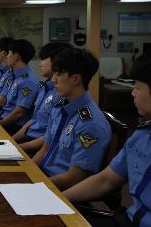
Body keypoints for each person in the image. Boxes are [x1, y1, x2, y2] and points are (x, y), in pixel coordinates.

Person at [63, 54, 151, 227]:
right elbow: (107, 179)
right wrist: (58, 199)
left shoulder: (91, 121)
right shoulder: (142, 135)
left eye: (138, 88)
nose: (133, 93)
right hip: (129, 219)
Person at [32, 47, 111, 191]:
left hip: (60, 190)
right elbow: (44, 150)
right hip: (44, 178)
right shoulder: (60, 107)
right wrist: (28, 175)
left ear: (75, 79)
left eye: (59, 74)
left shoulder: (90, 124)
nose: (53, 79)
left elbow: (73, 178)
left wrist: (34, 187)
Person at [13, 42, 72, 154]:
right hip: (27, 139)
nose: (40, 64)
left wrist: (18, 147)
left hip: (37, 147)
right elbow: (34, 120)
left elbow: (50, 139)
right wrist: (12, 140)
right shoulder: (46, 88)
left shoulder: (62, 96)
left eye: (44, 59)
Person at [0, 39, 40, 135]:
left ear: (16, 57)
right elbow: (6, 105)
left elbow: (19, 113)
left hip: (14, 127)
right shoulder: (16, 76)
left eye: (10, 53)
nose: (7, 56)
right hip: (4, 120)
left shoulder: (28, 80)